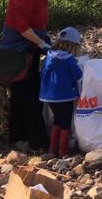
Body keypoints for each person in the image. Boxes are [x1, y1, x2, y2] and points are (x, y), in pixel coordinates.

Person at [0, 0, 68, 151]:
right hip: (19, 52)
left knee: (21, 95)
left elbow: (39, 24)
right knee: (29, 97)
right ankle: (37, 142)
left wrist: (47, 42)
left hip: (30, 49)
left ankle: (19, 137)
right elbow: (22, 26)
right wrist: (41, 43)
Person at [39, 27, 83, 157]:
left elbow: (42, 73)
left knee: (57, 119)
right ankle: (63, 150)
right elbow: (78, 75)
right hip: (66, 96)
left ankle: (52, 148)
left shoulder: (48, 56)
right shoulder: (69, 59)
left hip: (48, 96)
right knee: (65, 121)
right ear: (74, 45)